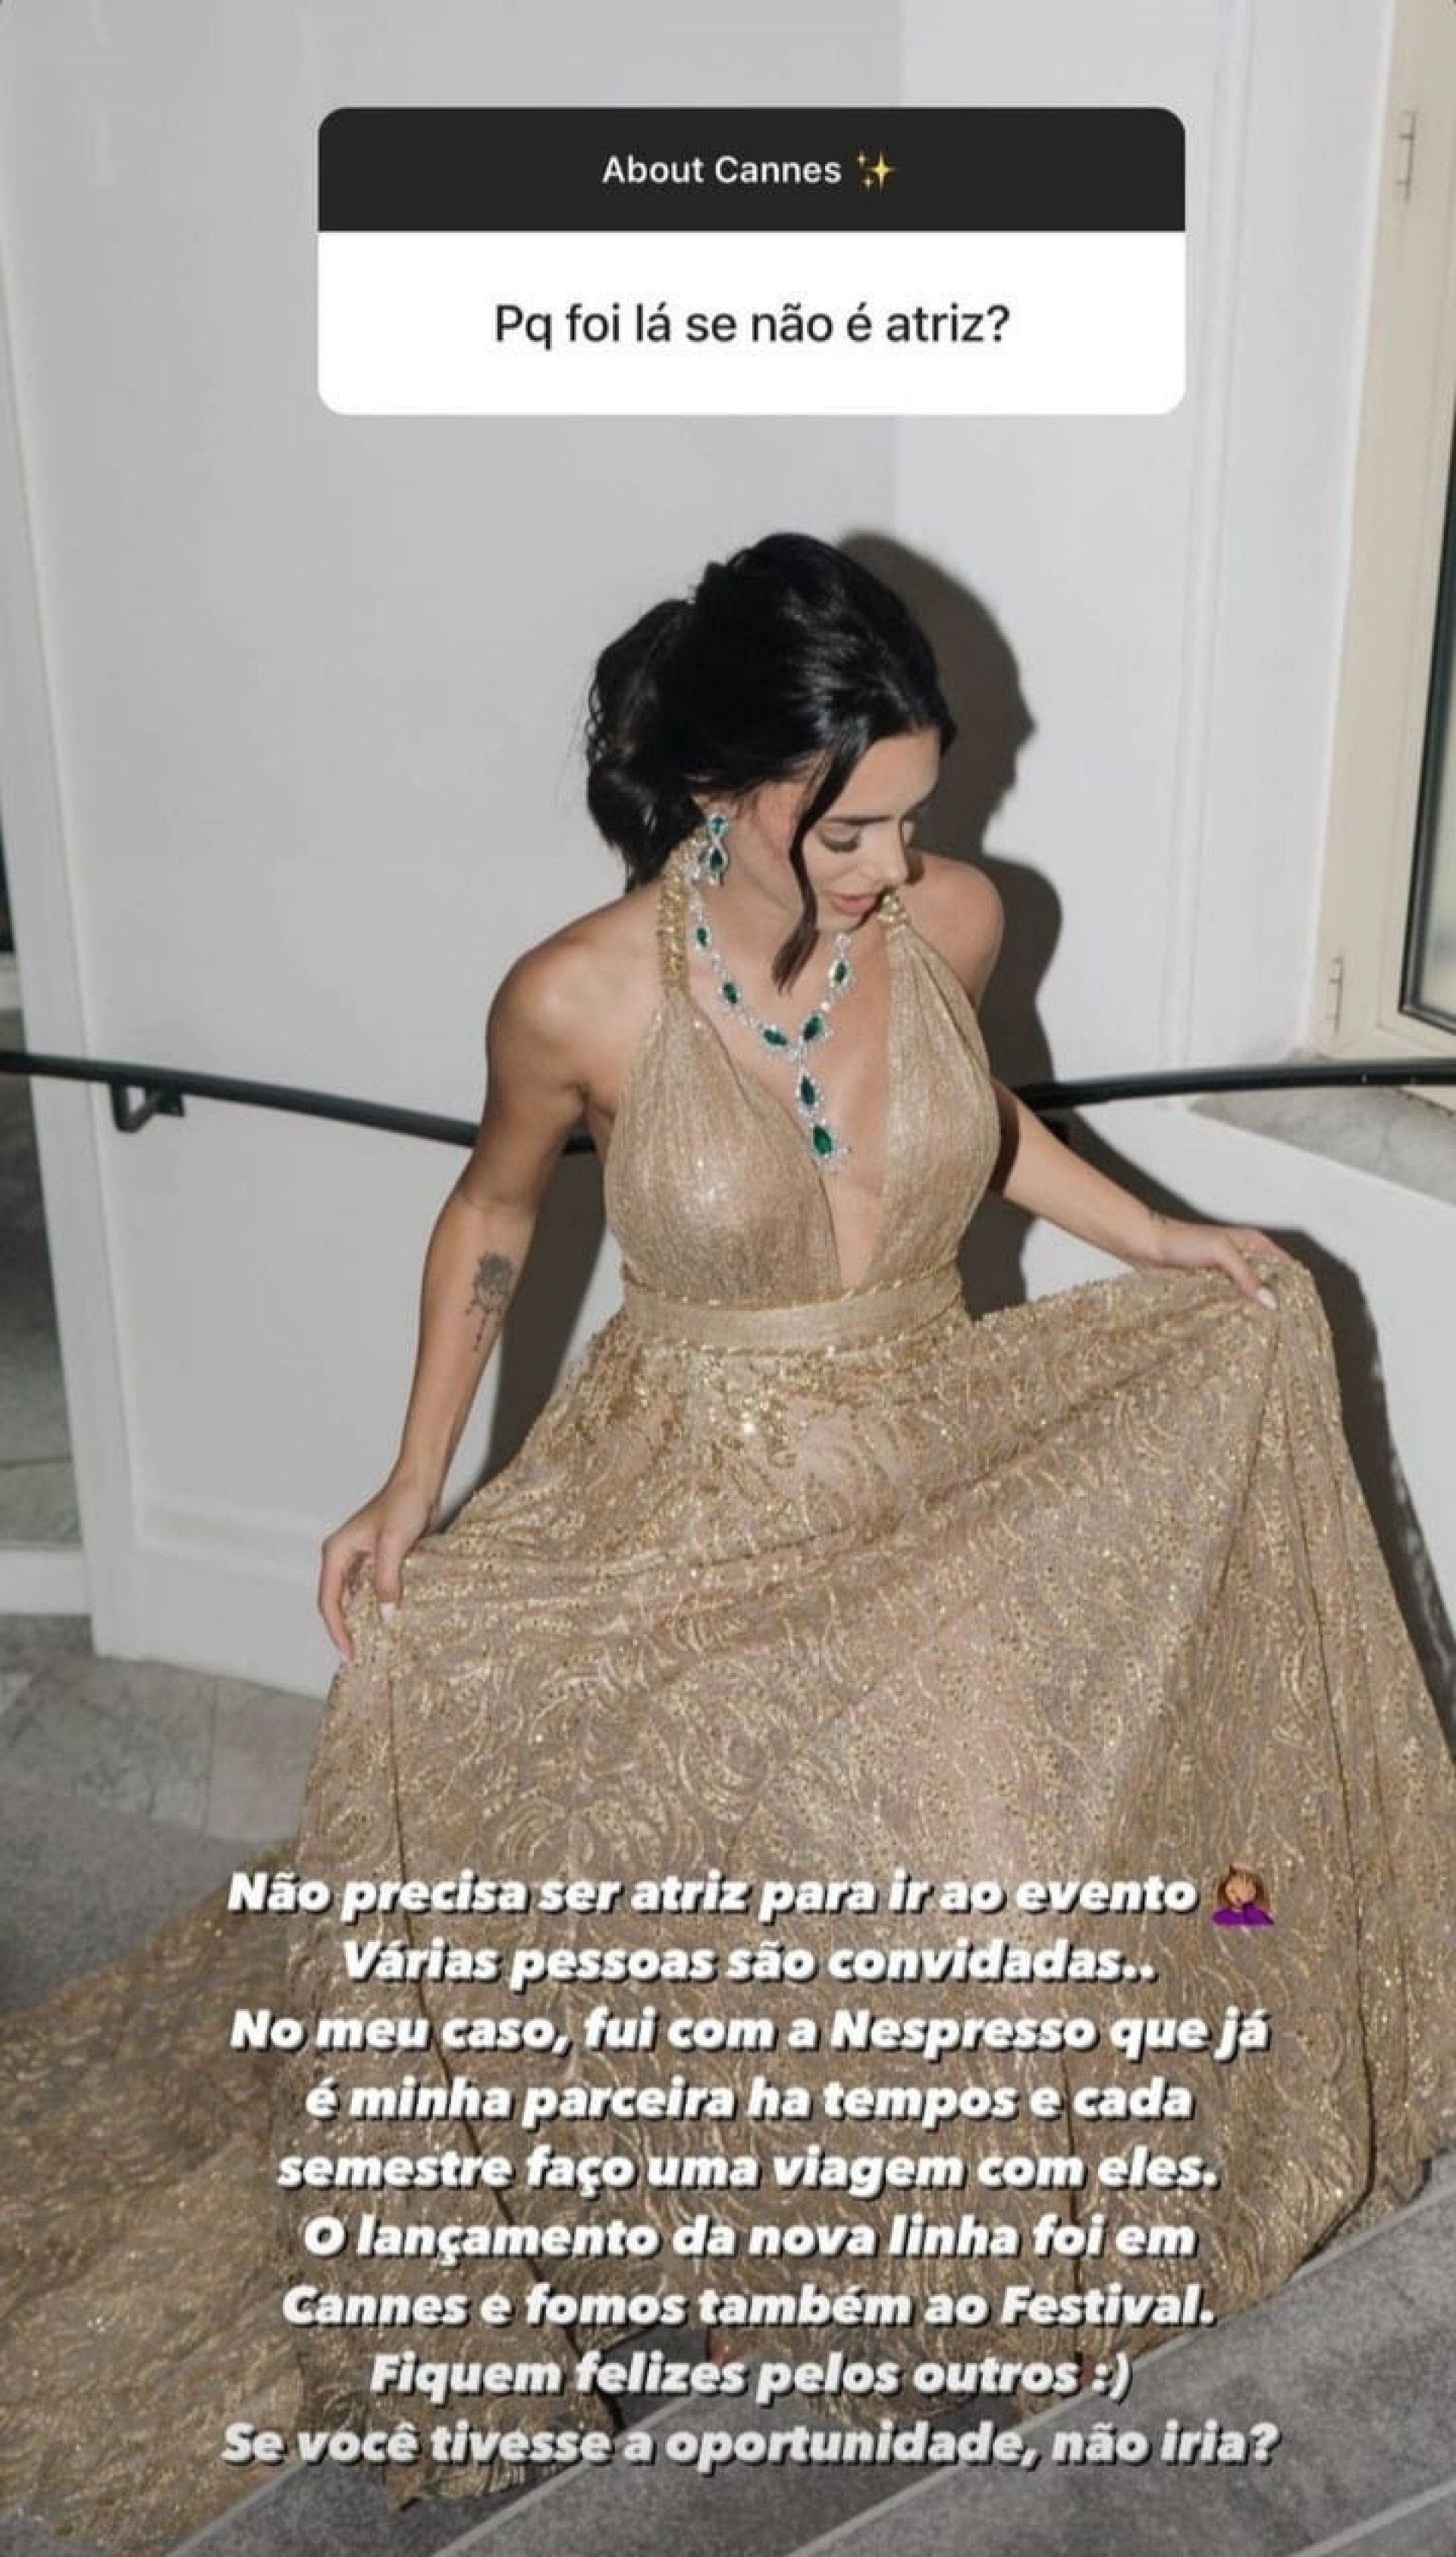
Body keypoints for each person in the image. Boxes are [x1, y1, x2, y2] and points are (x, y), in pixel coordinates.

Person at [3, 532, 1456, 2555]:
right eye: (845, 827)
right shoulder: (576, 996)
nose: (891, 864)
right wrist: (411, 1483)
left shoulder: (954, 917)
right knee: (649, 1864)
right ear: (715, 788)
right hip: (685, 1482)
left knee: (1008, 1906)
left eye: (914, 815)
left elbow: (981, 1119)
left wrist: (1168, 1235)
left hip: (926, 1456)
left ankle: (955, 2232)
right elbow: (495, 1212)